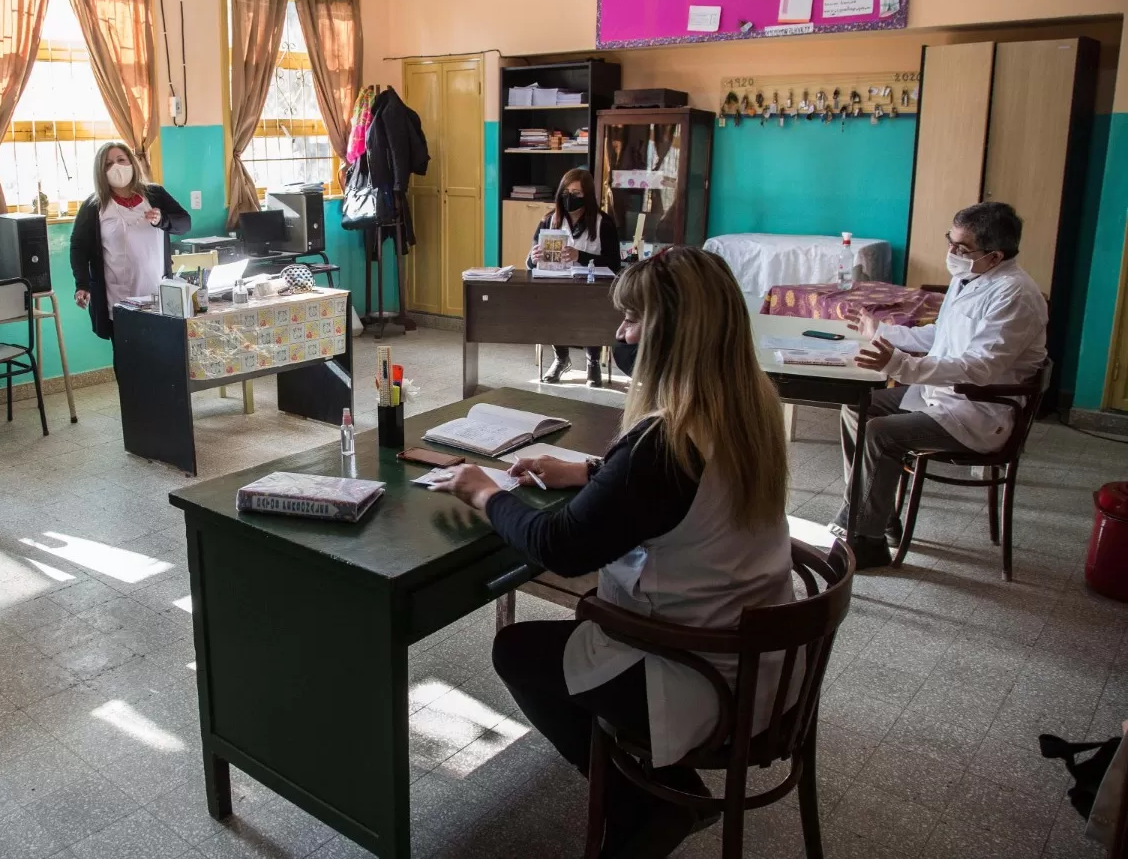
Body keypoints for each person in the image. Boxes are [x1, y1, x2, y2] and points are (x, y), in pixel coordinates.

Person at [431, 247, 795, 858]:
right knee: (584, 625)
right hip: (761, 661)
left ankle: (650, 803)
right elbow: (688, 491)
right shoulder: (748, 401)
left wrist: (484, 491)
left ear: (670, 334)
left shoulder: (665, 439)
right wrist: (595, 470)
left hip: (701, 670)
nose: (619, 333)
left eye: (631, 321)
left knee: (518, 650)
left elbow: (562, 548)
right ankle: (657, 788)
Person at [835, 201, 1047, 570]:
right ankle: (876, 514)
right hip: (943, 396)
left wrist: (901, 364)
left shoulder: (1016, 295)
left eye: (961, 248)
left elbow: (979, 367)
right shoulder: (970, 278)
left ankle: (864, 540)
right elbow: (941, 335)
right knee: (857, 404)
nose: (951, 253)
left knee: (880, 432)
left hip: (978, 409)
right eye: (950, 240)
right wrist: (883, 332)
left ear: (995, 255)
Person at [70, 142, 192, 339]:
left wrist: (163, 219)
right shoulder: (94, 205)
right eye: (108, 164)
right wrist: (82, 284)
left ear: (132, 163)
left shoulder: (155, 194)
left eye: (121, 160)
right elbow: (78, 248)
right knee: (129, 357)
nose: (116, 167)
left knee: (164, 352)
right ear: (100, 171)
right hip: (118, 296)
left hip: (158, 292)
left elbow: (185, 223)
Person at [528, 168, 621, 386]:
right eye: (566, 192)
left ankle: (593, 362)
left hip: (591, 288)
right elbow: (530, 263)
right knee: (548, 307)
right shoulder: (549, 221)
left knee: (590, 308)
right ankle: (561, 359)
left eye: (577, 193)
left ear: (587, 195)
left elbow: (614, 263)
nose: (570, 197)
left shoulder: (603, 223)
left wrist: (581, 255)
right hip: (557, 285)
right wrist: (533, 257)